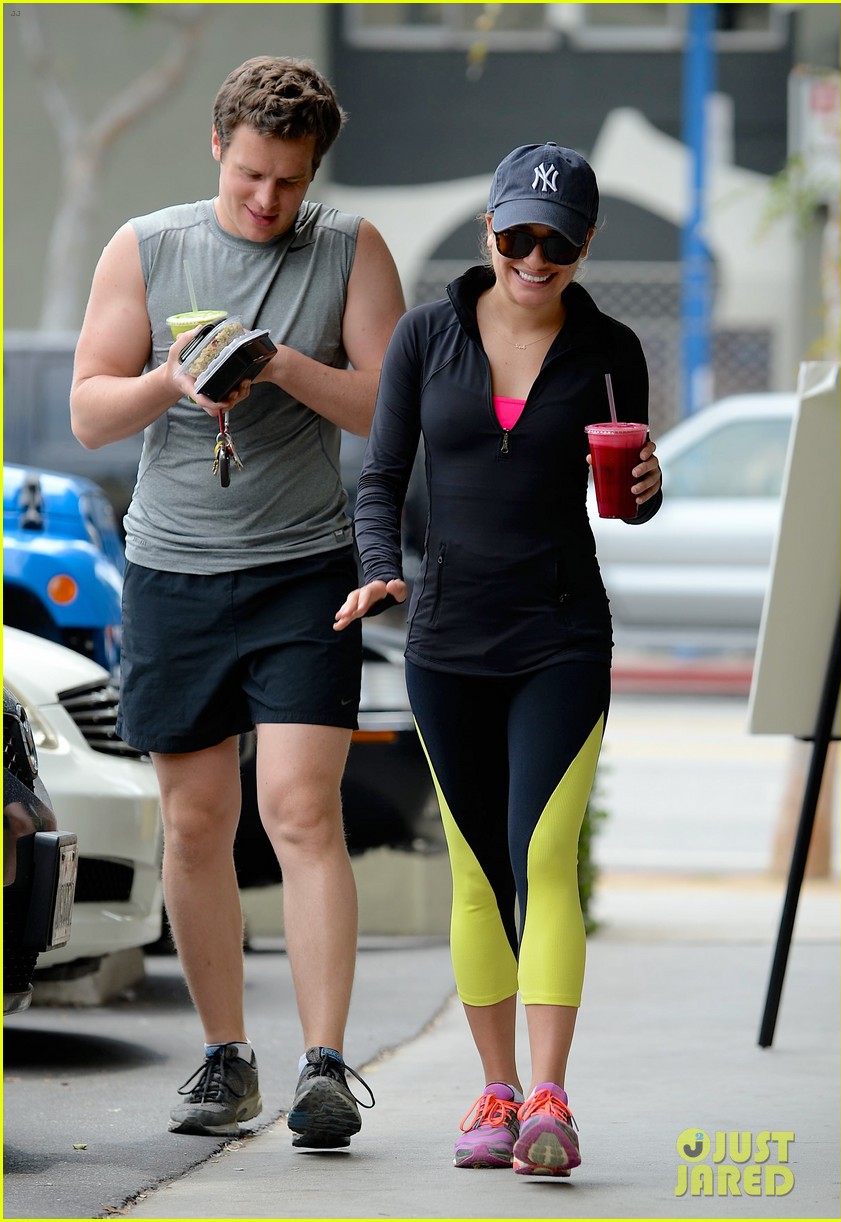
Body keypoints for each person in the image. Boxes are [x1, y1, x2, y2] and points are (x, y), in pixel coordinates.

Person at [70, 56, 405, 1148]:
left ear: (315, 172)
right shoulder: (147, 245)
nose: (267, 200)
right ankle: (226, 1058)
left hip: (304, 568)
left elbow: (391, 405)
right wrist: (174, 378)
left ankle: (323, 1067)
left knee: (300, 810)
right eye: (251, 175)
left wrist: (278, 367)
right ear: (218, 145)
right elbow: (89, 411)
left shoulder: (350, 250)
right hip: (172, 571)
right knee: (196, 821)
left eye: (290, 182)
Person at [334, 142, 662, 1177]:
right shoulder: (425, 337)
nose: (532, 257)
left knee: (542, 858)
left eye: (554, 243)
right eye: (516, 235)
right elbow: (380, 477)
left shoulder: (608, 349)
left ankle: (549, 1098)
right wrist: (379, 572)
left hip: (560, 637)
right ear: (488, 228)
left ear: (583, 246)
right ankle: (494, 1089)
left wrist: (646, 490)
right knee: (477, 871)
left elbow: (625, 499)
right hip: (446, 643)